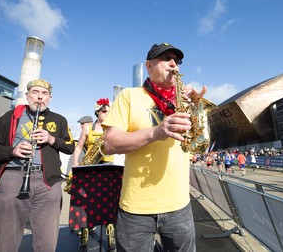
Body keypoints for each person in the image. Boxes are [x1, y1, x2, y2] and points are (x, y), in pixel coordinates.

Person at [102, 42, 205, 251]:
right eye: (166, 58)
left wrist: (197, 107)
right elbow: (110, 143)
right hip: (136, 209)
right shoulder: (128, 96)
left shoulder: (184, 101)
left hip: (180, 206)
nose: (173, 64)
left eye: (177, 61)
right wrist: (156, 132)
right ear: (148, 66)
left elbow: (198, 143)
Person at [0, 79, 75, 251]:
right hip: (13, 177)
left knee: (46, 240)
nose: (39, 97)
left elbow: (70, 147)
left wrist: (51, 139)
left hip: (48, 182)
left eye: (44, 93)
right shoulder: (9, 117)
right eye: (35, 92)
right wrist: (12, 151)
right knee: (6, 238)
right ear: (27, 95)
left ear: (50, 98)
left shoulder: (59, 119)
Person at [72, 98, 114, 167]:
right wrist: (75, 162)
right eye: (104, 111)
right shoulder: (87, 128)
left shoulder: (112, 128)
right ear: (97, 112)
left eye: (108, 112)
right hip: (90, 162)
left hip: (108, 163)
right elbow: (79, 146)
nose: (106, 114)